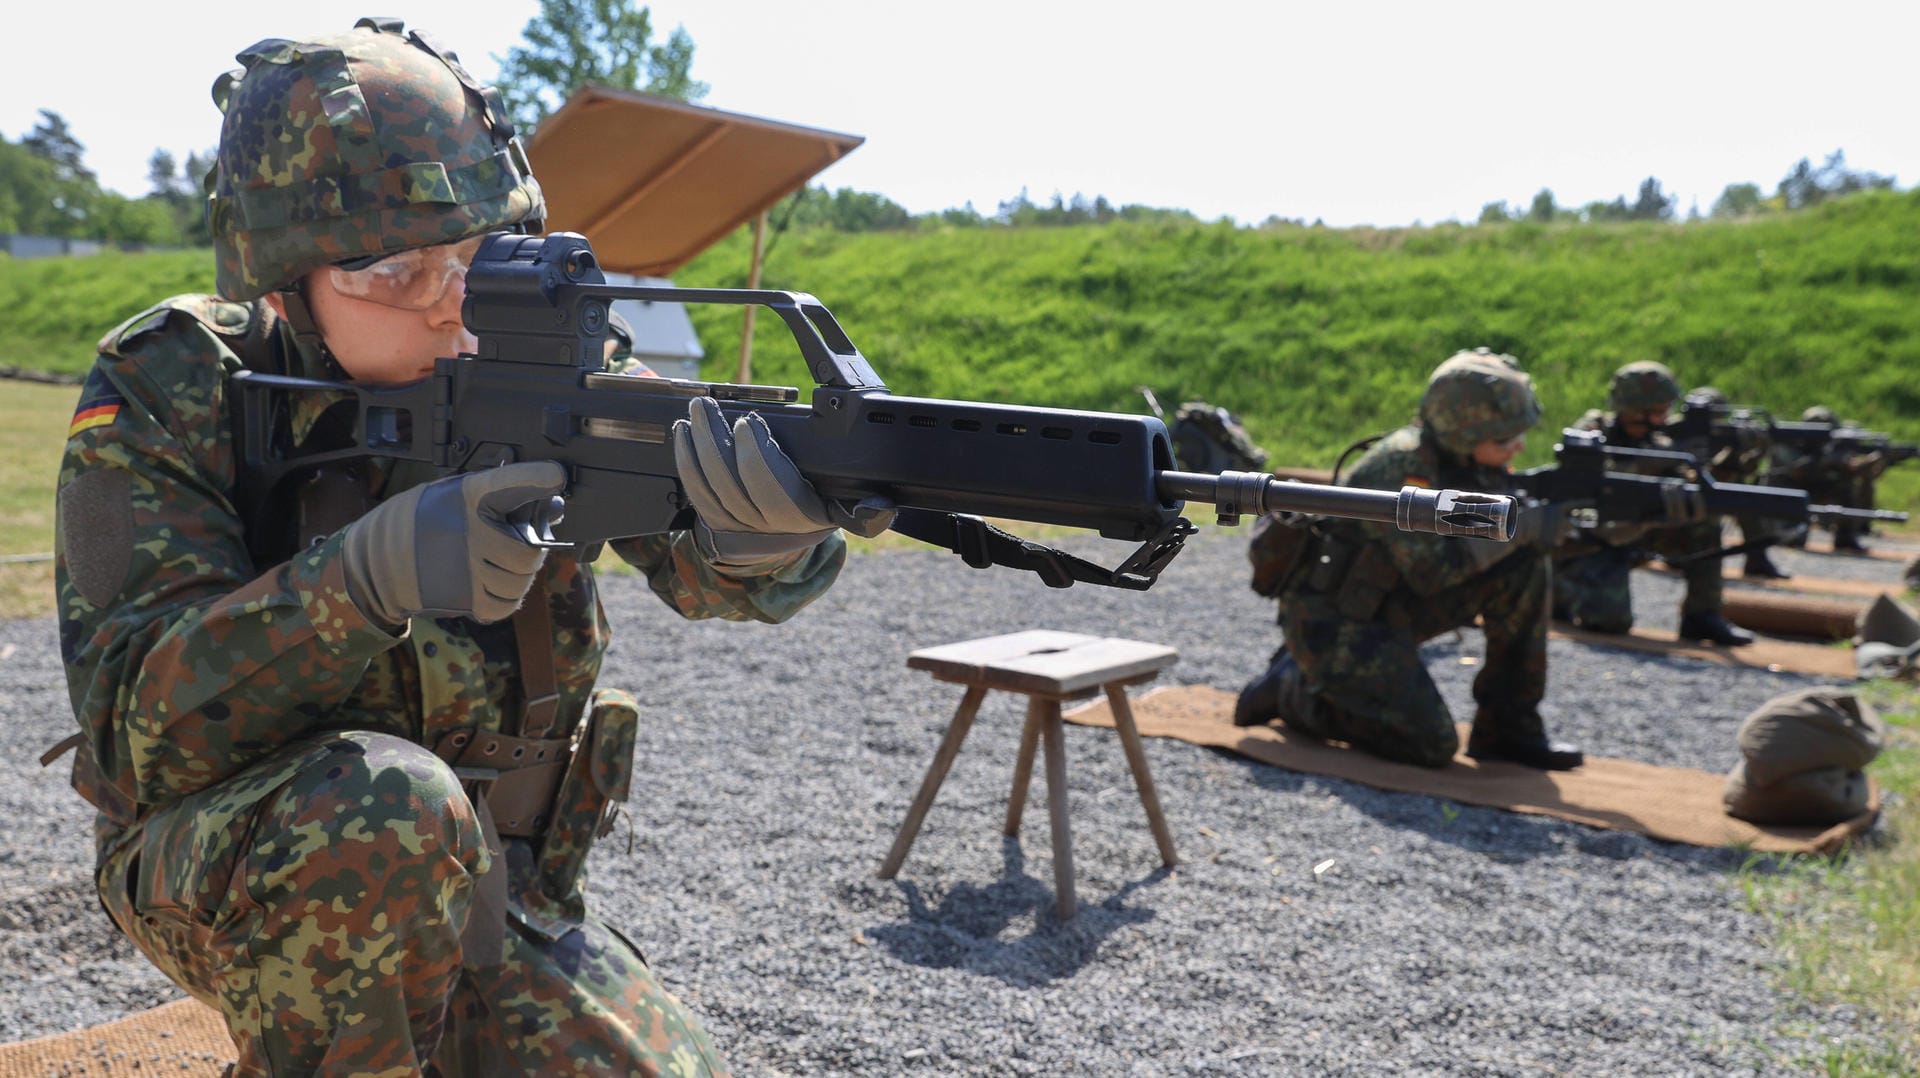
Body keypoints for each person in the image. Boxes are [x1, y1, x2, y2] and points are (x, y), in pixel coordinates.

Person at [49, 20, 887, 1076]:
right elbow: (134, 734)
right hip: (236, 861)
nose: (452, 306)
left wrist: (768, 536)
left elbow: (710, 576)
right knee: (384, 808)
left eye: (479, 256)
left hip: (492, 881)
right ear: (279, 283)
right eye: (394, 272)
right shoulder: (168, 389)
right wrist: (359, 581)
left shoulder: (535, 344)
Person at [1234, 348, 1582, 771]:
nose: (1519, 447)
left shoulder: (1459, 460)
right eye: (1505, 439)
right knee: (1430, 744)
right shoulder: (1401, 467)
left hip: (1389, 604)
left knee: (1525, 566)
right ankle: (1294, 689)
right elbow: (1432, 573)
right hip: (1337, 621)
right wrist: (1526, 527)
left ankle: (1509, 729)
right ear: (1463, 432)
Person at [1551, 361, 1754, 646]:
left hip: (1639, 531)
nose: (1662, 418)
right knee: (1609, 623)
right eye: (1656, 411)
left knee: (1703, 520)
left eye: (1664, 411)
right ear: (1632, 410)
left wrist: (1731, 457)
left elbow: (1697, 488)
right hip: (1592, 541)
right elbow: (1585, 490)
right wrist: (1647, 465)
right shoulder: (1592, 433)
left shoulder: (1663, 442)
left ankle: (1702, 615)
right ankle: (1558, 589)